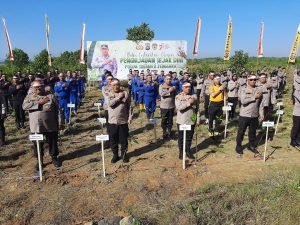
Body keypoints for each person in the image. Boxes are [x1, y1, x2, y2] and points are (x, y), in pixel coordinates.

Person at [22, 80, 62, 170]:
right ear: (33, 88)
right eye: (36, 87)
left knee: (52, 142)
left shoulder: (51, 96)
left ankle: (54, 158)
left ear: (44, 87)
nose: (39, 88)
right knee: (37, 144)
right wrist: (39, 103)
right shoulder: (29, 97)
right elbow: (24, 107)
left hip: (50, 125)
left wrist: (60, 122)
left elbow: (58, 110)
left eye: (40, 86)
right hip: (36, 126)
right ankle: (39, 160)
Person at [235, 75, 263, 157]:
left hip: (254, 115)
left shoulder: (258, 90)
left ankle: (251, 145)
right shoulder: (244, 89)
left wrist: (261, 113)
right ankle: (238, 146)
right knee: (241, 132)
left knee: (253, 132)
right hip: (244, 115)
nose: (253, 81)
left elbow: (260, 103)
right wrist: (254, 97)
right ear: (248, 80)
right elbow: (243, 101)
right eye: (251, 80)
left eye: (255, 79)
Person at [107, 78, 132, 163]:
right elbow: (110, 104)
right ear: (111, 85)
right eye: (114, 85)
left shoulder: (126, 93)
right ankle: (115, 155)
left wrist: (130, 117)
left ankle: (124, 155)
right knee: (113, 140)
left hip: (123, 121)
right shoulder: (108, 94)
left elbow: (129, 106)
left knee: (123, 140)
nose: (116, 86)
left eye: (117, 84)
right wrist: (118, 98)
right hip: (112, 122)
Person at [175, 81, 199, 160]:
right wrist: (189, 103)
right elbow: (179, 108)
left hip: (191, 120)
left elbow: (196, 109)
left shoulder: (194, 97)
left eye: (189, 87)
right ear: (183, 88)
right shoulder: (178, 97)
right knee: (181, 138)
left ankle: (188, 151)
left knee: (189, 137)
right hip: (182, 121)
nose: (188, 88)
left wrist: (197, 119)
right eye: (186, 87)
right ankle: (181, 152)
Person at [159, 74, 176, 139]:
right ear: (164, 79)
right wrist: (169, 91)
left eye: (170, 79)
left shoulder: (173, 86)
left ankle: (169, 131)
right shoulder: (161, 86)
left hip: (171, 106)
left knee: (170, 120)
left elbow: (174, 95)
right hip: (164, 107)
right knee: (164, 120)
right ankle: (164, 131)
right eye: (167, 79)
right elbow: (161, 94)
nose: (168, 80)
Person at [290, 81, 300, 147]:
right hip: (297, 113)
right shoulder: (296, 92)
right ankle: (293, 140)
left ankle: (296, 140)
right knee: (296, 127)